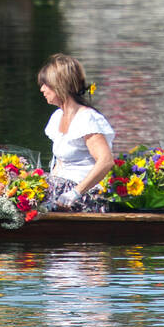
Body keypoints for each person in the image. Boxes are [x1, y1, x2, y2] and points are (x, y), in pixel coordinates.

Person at [38, 53, 114, 212]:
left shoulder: (86, 118)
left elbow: (106, 161)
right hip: (60, 191)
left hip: (85, 196)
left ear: (59, 84)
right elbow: (59, 163)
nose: (42, 89)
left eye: (46, 84)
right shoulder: (58, 116)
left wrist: (75, 192)